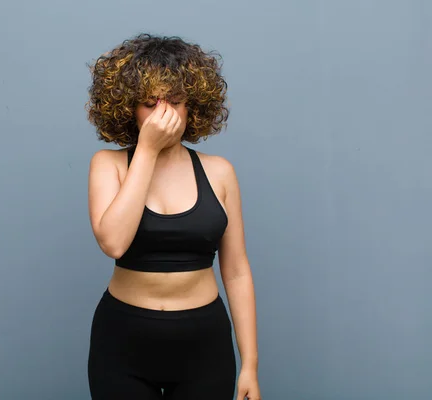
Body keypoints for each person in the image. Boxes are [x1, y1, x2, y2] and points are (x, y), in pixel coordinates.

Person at [84, 33, 261, 400]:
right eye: (150, 103)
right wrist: (147, 150)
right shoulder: (108, 165)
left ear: (193, 105)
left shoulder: (220, 172)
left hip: (204, 346)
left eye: (175, 102)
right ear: (128, 108)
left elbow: (237, 270)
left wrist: (250, 366)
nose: (164, 115)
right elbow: (114, 241)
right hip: (122, 342)